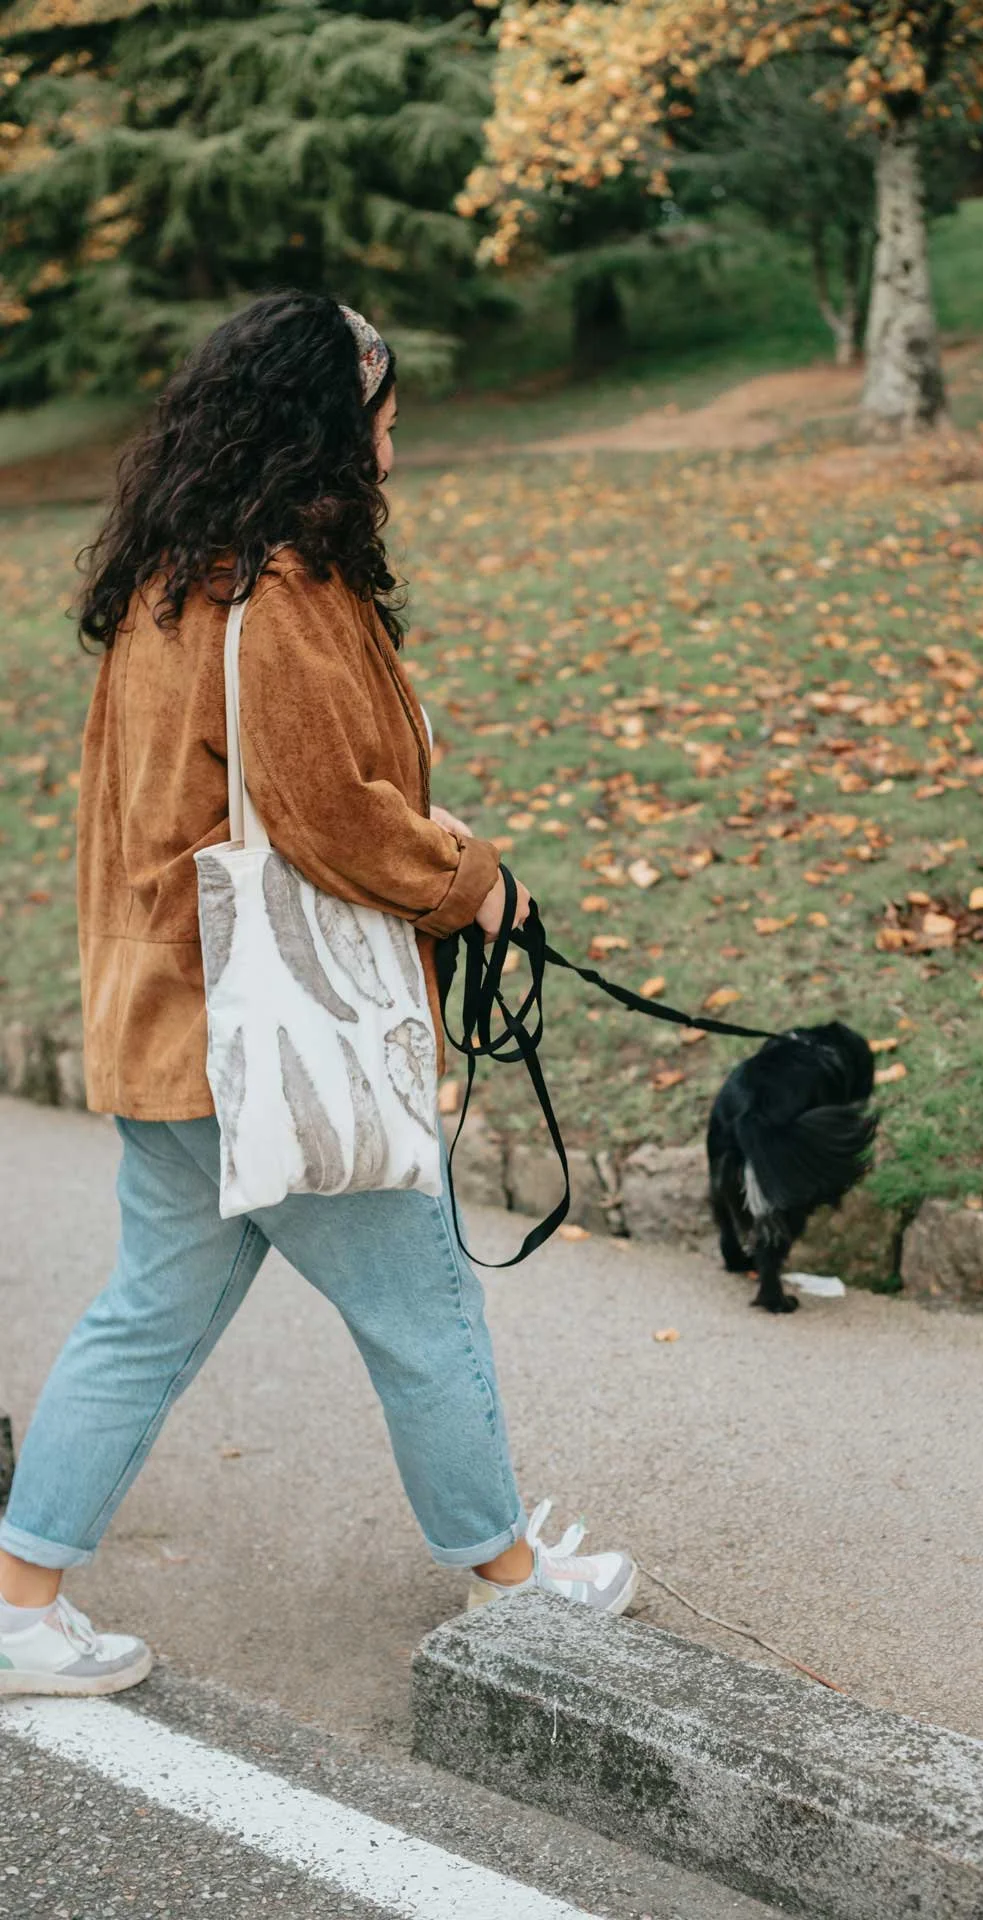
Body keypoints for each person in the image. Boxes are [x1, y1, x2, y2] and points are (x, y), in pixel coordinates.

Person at [0, 292, 636, 1700]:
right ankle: (513, 1585)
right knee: (424, 1306)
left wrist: (416, 831)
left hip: (169, 1031)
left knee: (144, 1316)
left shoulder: (172, 578)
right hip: (260, 1045)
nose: (397, 456)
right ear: (325, 434)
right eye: (386, 427)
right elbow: (326, 822)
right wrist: (471, 876)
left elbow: (262, 796)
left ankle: (17, 1600)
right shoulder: (273, 596)